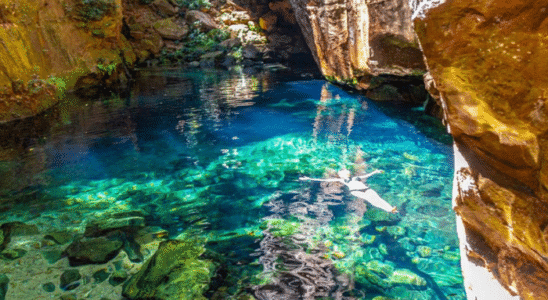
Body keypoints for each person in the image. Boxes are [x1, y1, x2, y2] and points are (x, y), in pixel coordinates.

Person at [300, 169, 398, 213]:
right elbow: (326, 180)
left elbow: (366, 175)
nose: (347, 171)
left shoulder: (356, 177)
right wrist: (309, 178)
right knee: (372, 201)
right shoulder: (341, 180)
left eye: (346, 170)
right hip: (356, 191)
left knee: (377, 199)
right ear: (342, 175)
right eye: (344, 171)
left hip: (366, 189)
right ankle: (389, 209)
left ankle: (390, 209)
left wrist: (375, 172)